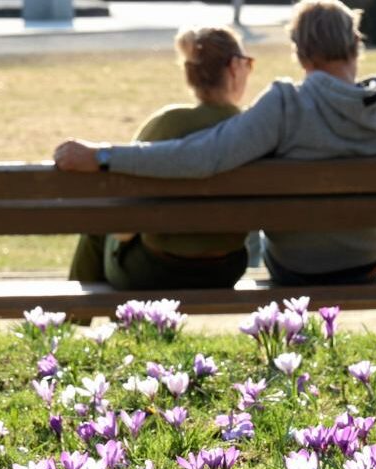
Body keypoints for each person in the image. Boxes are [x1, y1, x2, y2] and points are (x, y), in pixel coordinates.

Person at [54, 0, 376, 286]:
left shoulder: (285, 106)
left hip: (296, 269)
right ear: (355, 48)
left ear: (301, 55)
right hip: (366, 262)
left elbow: (203, 156)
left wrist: (105, 156)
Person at [67, 26, 255, 289]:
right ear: (235, 67)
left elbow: (123, 229)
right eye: (248, 63)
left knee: (98, 227)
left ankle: (70, 324)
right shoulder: (252, 128)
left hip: (154, 272)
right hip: (225, 270)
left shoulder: (166, 124)